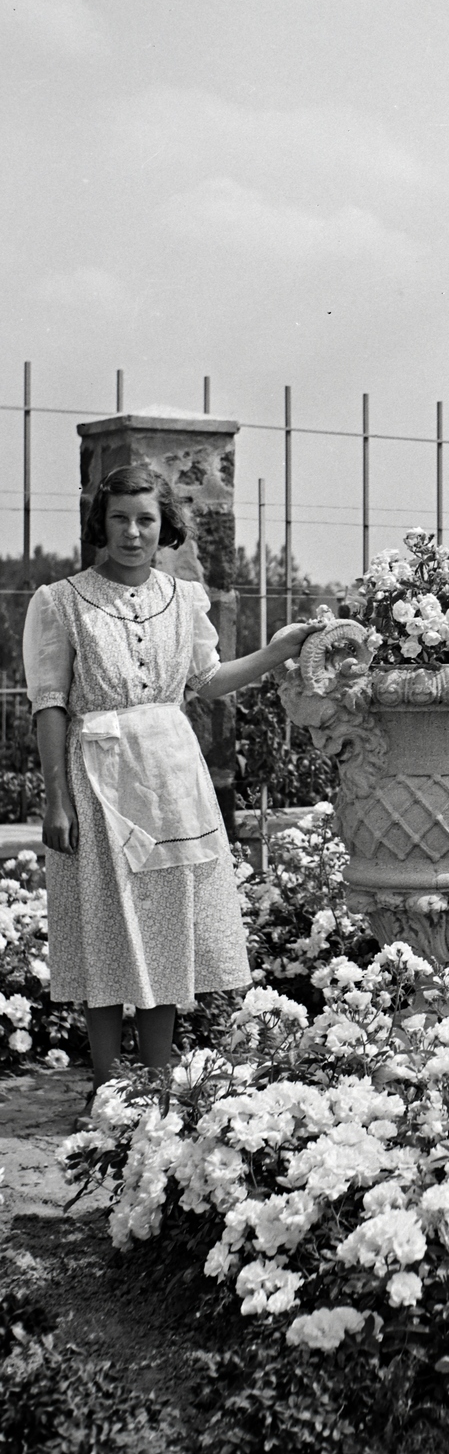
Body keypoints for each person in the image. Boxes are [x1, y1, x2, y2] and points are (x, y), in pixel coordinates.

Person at [23, 464, 323, 1115]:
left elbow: (208, 678)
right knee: (104, 922)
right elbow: (50, 702)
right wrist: (54, 798)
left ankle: (156, 1084)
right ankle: (105, 1086)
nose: (132, 532)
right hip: (95, 775)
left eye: (146, 519)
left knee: (161, 927)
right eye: (120, 518)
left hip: (168, 776)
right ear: (100, 524)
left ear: (166, 527)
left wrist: (277, 652)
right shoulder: (63, 601)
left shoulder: (183, 599)